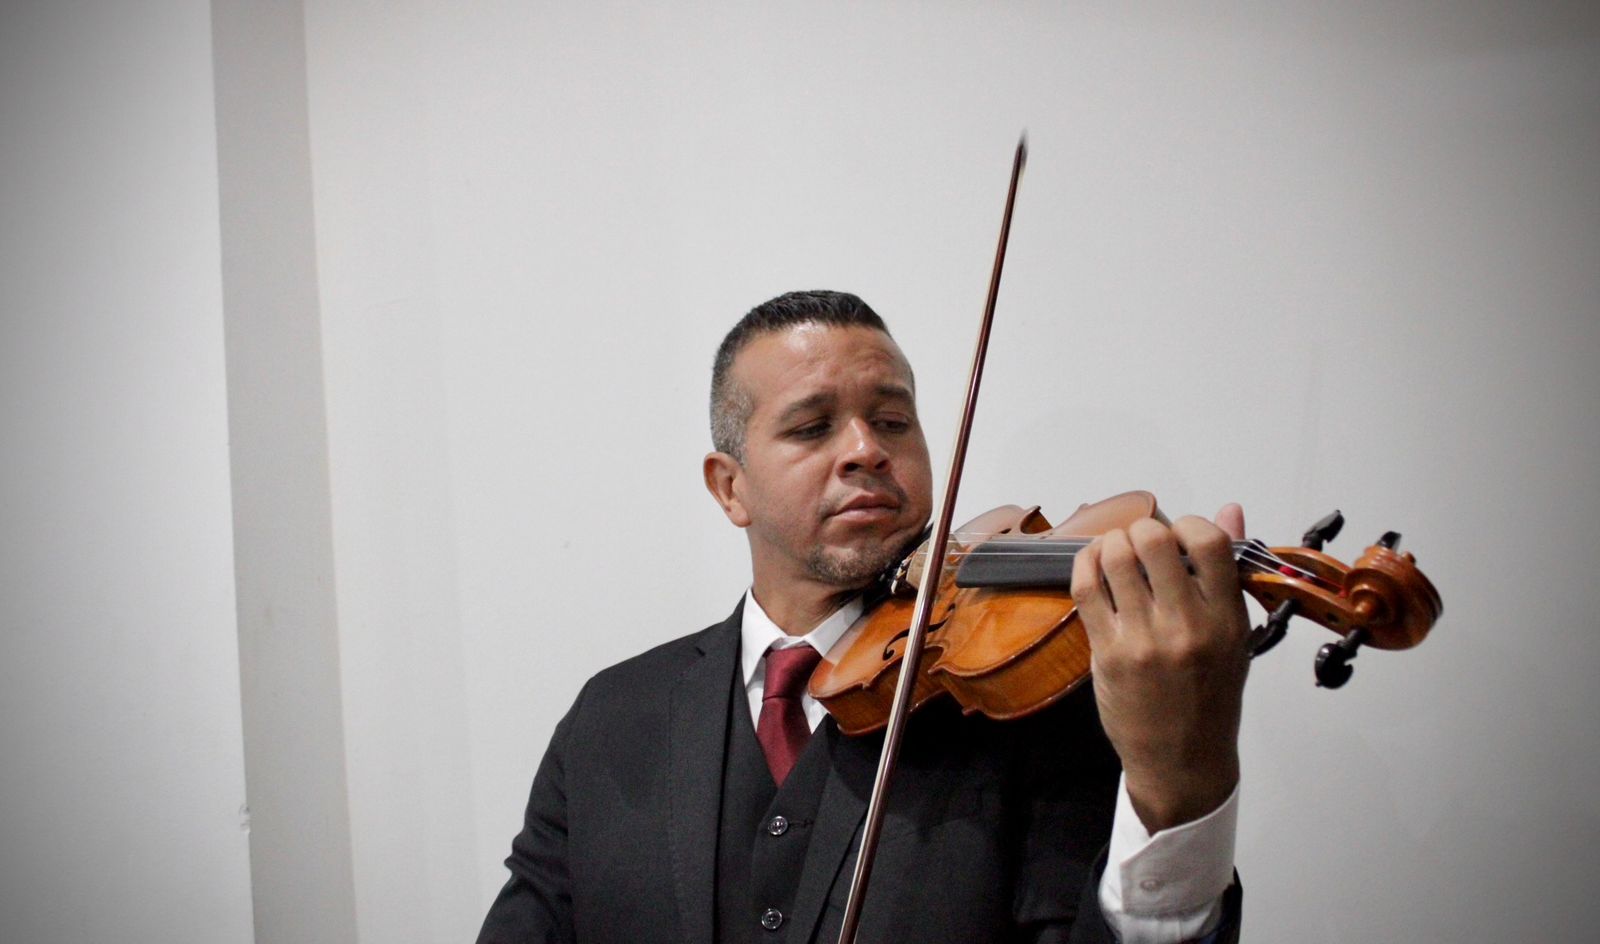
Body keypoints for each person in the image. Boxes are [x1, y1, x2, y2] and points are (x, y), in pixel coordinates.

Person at [478, 291, 1249, 943]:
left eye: (892, 421)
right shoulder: (611, 721)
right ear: (729, 487)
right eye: (812, 427)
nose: (865, 450)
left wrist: (1178, 782)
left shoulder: (1033, 704)